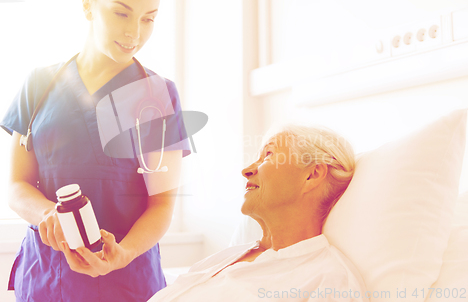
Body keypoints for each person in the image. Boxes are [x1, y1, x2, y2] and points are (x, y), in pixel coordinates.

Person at [0, 0, 190, 301]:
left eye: (149, 19)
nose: (135, 32)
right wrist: (48, 215)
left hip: (127, 280)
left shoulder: (158, 95)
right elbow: (17, 186)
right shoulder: (39, 85)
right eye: (121, 12)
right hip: (47, 276)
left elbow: (161, 205)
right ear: (88, 6)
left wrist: (125, 253)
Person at [148, 124, 369, 302]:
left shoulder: (328, 282)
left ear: (312, 175)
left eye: (268, 155)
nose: (246, 170)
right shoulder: (225, 258)